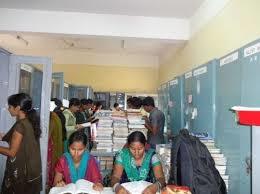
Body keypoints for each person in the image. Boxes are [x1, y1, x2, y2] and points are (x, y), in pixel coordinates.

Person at [0, 93, 42, 194]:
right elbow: (21, 139)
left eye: (10, 107)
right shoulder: (30, 121)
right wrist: (3, 136)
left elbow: (11, 152)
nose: (9, 109)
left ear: (18, 108)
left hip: (22, 172)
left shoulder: (20, 125)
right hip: (33, 170)